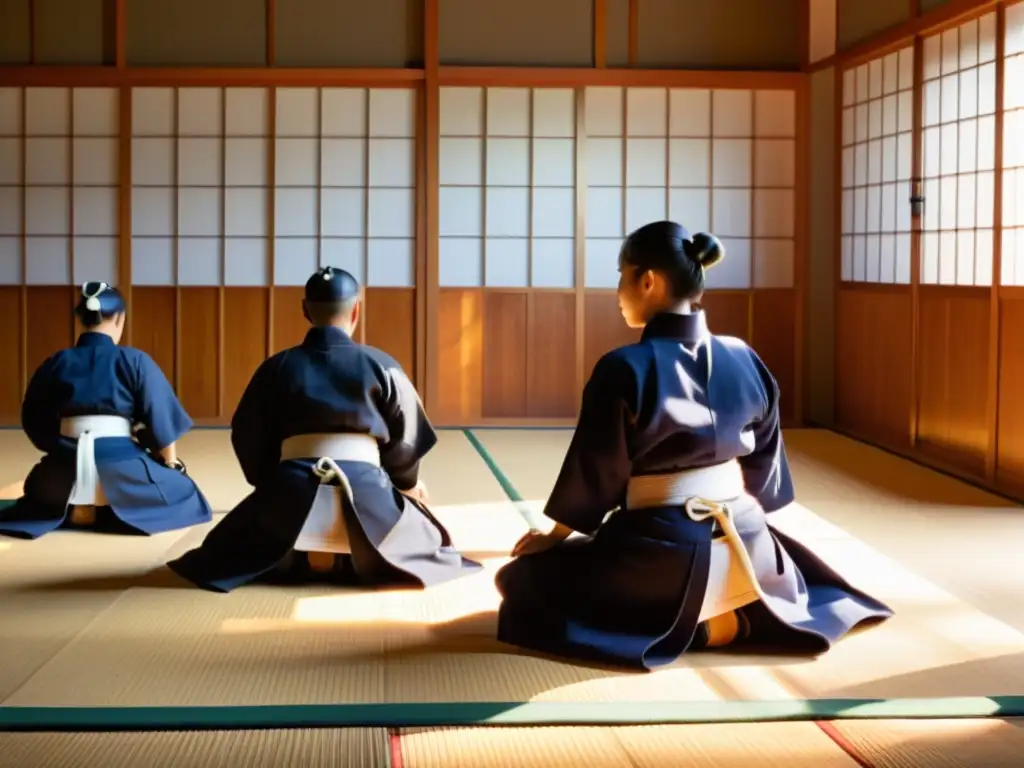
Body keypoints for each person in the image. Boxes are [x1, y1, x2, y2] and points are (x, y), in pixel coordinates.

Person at [493, 221, 893, 670]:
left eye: (622, 276)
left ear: (648, 281)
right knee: (804, 576)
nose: (618, 290)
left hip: (659, 554)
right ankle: (736, 613)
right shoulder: (744, 354)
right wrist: (753, 523)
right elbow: (766, 466)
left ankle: (693, 626)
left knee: (524, 579)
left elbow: (597, 472)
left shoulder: (623, 367)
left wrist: (555, 535)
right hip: (748, 540)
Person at [167, 266, 481, 592]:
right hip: (368, 492)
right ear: (356, 309)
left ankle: (299, 558)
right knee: (428, 540)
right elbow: (407, 437)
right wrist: (406, 483)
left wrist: (272, 483)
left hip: (287, 494)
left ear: (305, 310)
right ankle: (353, 559)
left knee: (229, 547)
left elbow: (247, 436)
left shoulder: (276, 367)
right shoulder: (383, 365)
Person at [0, 282, 213, 539]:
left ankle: (73, 508)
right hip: (122, 469)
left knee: (38, 492)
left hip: (59, 475)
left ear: (81, 320)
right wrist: (171, 463)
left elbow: (34, 420)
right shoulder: (134, 360)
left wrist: (59, 448)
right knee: (185, 492)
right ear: (120, 319)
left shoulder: (57, 361)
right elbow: (161, 420)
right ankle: (108, 511)